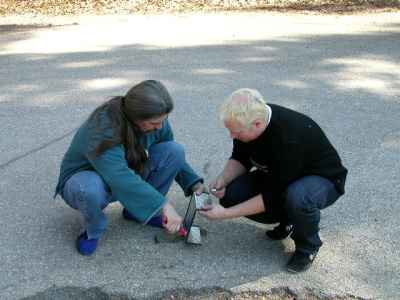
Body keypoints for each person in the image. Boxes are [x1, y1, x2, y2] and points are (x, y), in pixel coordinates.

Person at [200, 88, 347, 273]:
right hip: (279, 176)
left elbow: (272, 196)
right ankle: (289, 219)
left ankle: (308, 246)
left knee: (298, 197)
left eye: (235, 132)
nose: (232, 136)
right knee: (231, 194)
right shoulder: (246, 121)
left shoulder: (289, 139)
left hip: (323, 180)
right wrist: (223, 178)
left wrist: (224, 214)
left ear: (257, 123)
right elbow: (240, 157)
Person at [54, 80, 204, 255]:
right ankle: (92, 231)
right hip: (85, 182)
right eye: (155, 123)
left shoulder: (155, 118)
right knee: (88, 188)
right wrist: (163, 205)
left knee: (174, 150)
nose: (161, 126)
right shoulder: (102, 129)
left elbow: (170, 155)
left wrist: (193, 183)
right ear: (136, 117)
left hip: (124, 175)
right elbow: (120, 177)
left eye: (164, 120)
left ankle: (137, 212)